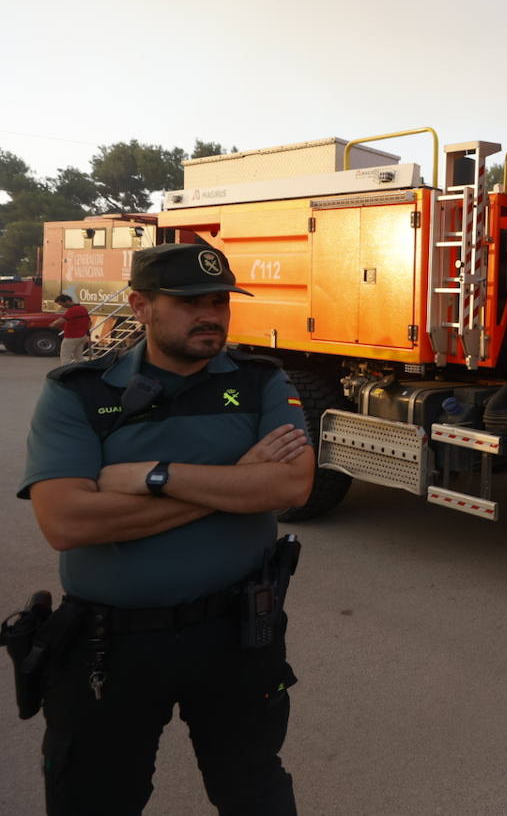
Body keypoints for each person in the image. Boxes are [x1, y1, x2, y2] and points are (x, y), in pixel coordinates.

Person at [17, 242, 314, 815]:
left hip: (239, 636)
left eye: (219, 302)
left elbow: (291, 486)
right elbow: (67, 520)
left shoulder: (260, 383)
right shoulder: (79, 391)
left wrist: (156, 477)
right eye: (188, 302)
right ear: (141, 306)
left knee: (254, 789)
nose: (211, 315)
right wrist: (236, 482)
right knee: (96, 797)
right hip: (111, 648)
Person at [51, 294, 91, 365]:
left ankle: (64, 371)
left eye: (61, 304)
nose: (62, 306)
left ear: (67, 301)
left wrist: (52, 325)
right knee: (79, 356)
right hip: (82, 336)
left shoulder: (71, 311)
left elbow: (59, 322)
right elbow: (89, 322)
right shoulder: (83, 308)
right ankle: (82, 369)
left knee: (65, 356)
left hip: (71, 337)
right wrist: (87, 333)